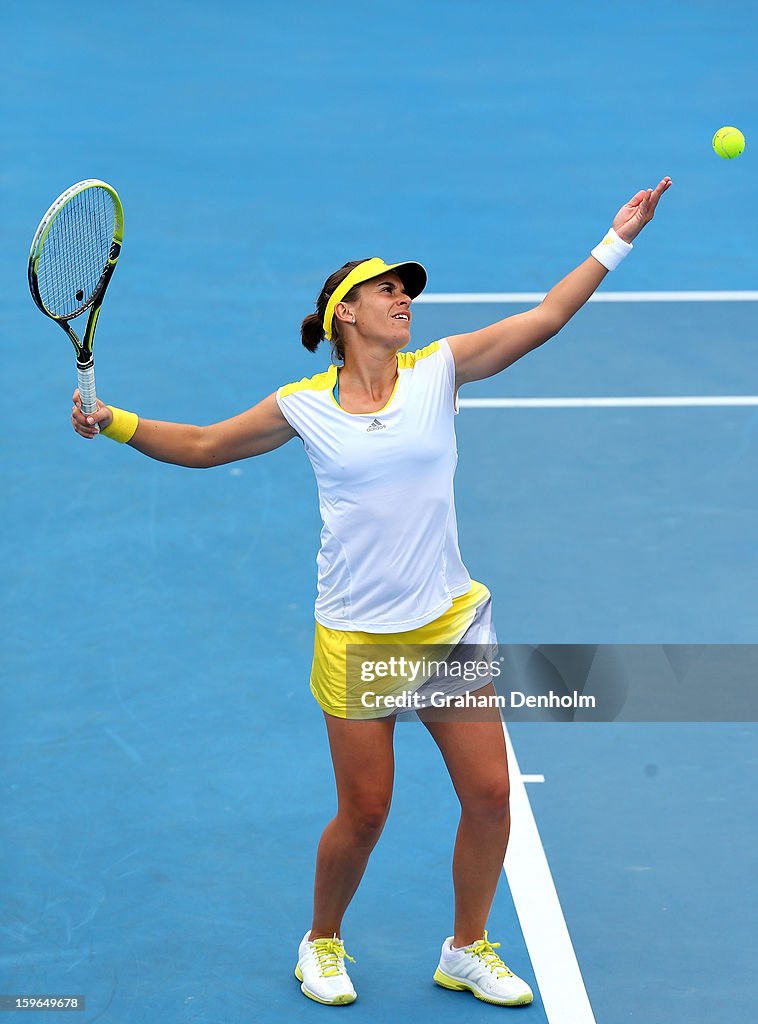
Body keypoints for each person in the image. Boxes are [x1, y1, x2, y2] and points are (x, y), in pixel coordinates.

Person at [72, 176, 672, 1007]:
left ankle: (467, 947)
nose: (404, 300)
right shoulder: (304, 405)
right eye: (385, 289)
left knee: (491, 794)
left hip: (449, 627)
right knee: (365, 814)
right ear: (343, 315)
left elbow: (543, 319)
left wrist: (619, 238)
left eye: (406, 291)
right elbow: (207, 443)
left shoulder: (440, 371)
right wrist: (118, 423)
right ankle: (321, 941)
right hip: (361, 638)